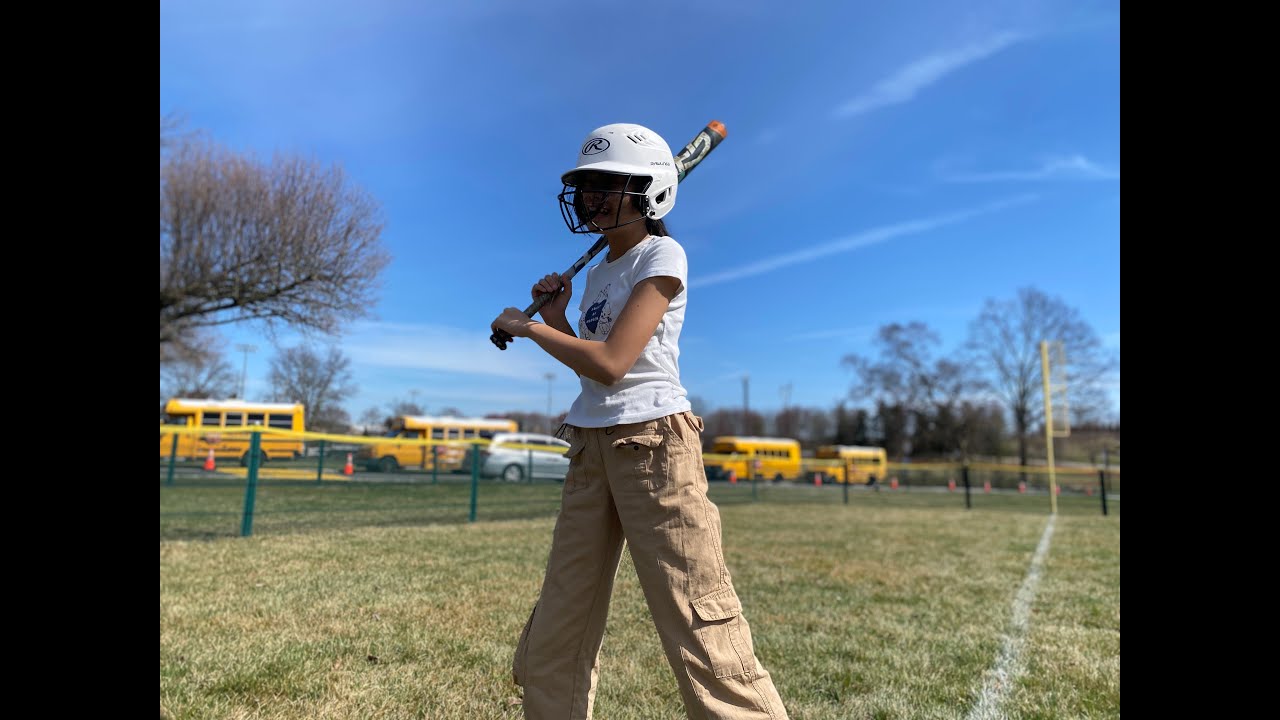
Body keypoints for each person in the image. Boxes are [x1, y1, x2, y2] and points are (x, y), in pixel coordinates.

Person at [491, 123, 788, 720]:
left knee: (696, 615)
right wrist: (557, 317)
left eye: (606, 186)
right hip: (591, 444)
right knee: (561, 616)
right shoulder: (600, 274)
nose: (590, 199)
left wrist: (530, 328)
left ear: (649, 190)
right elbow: (593, 373)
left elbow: (613, 364)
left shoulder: (663, 254)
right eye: (585, 188)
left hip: (654, 444)